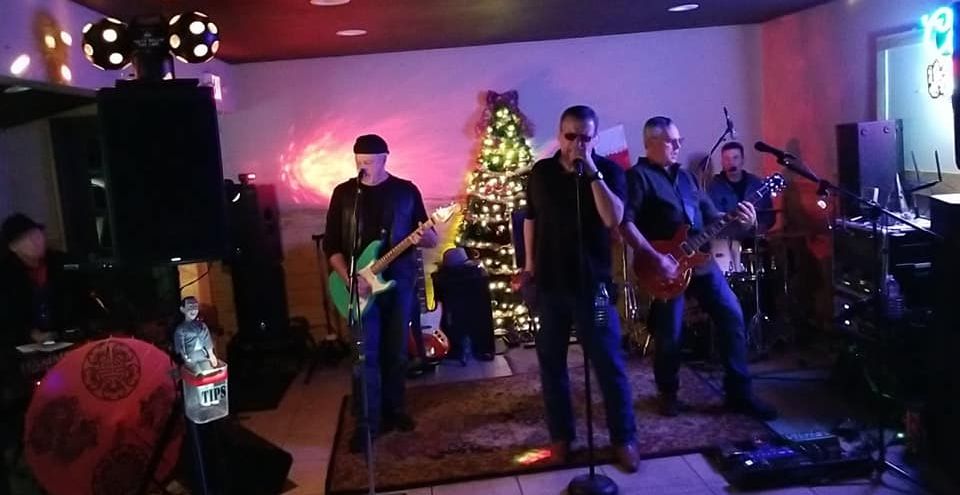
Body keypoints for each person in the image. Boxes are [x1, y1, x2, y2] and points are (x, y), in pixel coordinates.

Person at [620, 117, 777, 420]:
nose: (678, 145)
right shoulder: (637, 177)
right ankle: (668, 393)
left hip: (700, 262)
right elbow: (625, 223)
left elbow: (711, 216)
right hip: (663, 267)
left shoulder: (687, 178)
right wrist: (654, 257)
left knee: (732, 314)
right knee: (670, 332)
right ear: (650, 143)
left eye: (679, 140)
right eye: (671, 141)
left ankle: (739, 393)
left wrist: (740, 218)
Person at [521, 105, 640, 472]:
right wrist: (528, 266)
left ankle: (624, 438)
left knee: (608, 361)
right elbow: (530, 218)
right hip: (551, 287)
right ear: (560, 135)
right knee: (551, 363)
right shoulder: (541, 173)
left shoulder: (609, 172)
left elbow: (612, 218)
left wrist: (591, 171)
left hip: (595, 288)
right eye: (570, 136)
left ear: (594, 138)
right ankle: (561, 436)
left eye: (585, 138)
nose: (577, 143)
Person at [323, 134, 438, 453]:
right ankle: (366, 422)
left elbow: (431, 239)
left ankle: (395, 409)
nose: (365, 167)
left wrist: (425, 236)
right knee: (364, 355)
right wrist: (349, 279)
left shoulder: (405, 191)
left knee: (396, 350)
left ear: (385, 158)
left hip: (398, 283)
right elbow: (331, 245)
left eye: (370, 162)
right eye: (359, 161)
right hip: (357, 286)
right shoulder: (345, 194)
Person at [707, 141, 775, 240]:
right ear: (722, 162)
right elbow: (712, 219)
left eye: (735, 158)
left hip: (755, 240)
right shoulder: (713, 187)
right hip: (727, 242)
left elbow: (769, 217)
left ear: (742, 160)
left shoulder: (757, 184)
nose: (731, 163)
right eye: (726, 159)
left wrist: (754, 226)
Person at [173, 296, 220, 375]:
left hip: (202, 354)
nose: (193, 310)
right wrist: (185, 358)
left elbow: (207, 340)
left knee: (209, 372)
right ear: (182, 309)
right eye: (190, 306)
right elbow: (180, 345)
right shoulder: (180, 329)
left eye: (195, 306)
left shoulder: (202, 325)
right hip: (190, 356)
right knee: (197, 374)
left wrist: (211, 354)